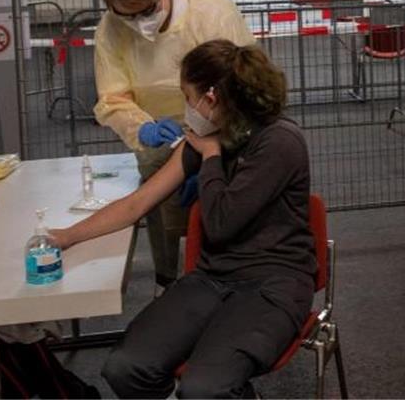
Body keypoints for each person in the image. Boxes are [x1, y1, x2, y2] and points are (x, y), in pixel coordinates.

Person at [51, 40, 315, 399]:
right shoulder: (209, 137)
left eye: (188, 97)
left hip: (274, 282)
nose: (186, 107)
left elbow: (221, 224)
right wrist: (66, 236)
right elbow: (138, 203)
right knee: (125, 368)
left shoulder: (279, 142)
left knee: (203, 389)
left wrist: (210, 159)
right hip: (213, 277)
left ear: (212, 98)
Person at [94, 0, 255, 294]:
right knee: (160, 210)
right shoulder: (111, 27)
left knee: (224, 210)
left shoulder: (212, 12)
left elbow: (242, 89)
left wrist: (214, 152)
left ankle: (232, 278)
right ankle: (167, 282)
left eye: (145, 12)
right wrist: (142, 128)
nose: (138, 24)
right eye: (127, 18)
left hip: (220, 128)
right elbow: (113, 96)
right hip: (159, 132)